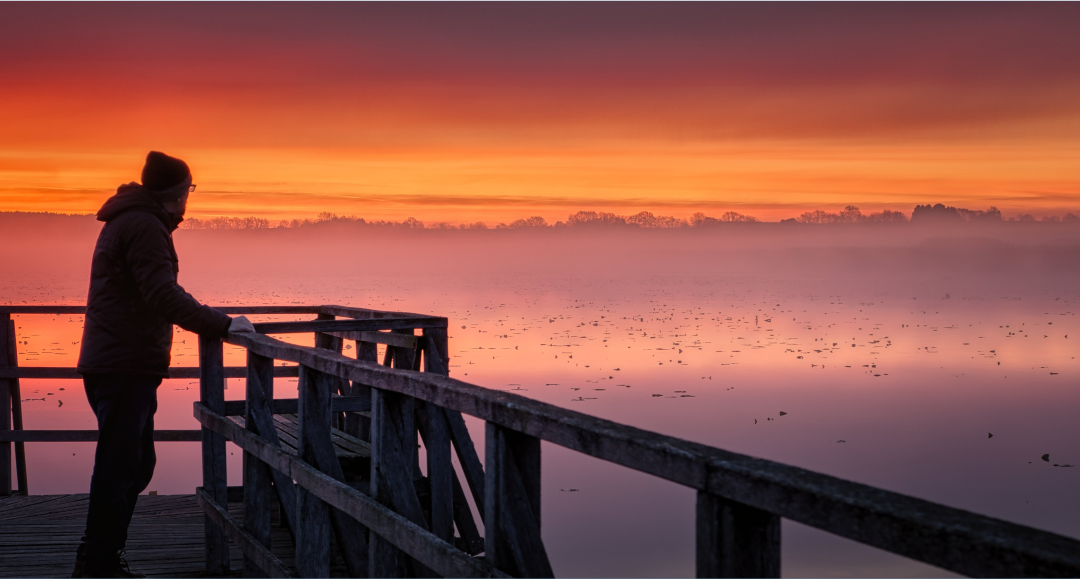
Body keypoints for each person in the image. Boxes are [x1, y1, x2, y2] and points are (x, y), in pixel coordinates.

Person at [73, 151, 256, 578]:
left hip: (121, 360)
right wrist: (224, 325)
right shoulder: (144, 225)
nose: (189, 200)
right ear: (177, 194)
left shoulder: (133, 220)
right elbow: (163, 295)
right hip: (124, 364)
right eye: (190, 190)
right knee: (122, 465)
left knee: (133, 463)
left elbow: (155, 291)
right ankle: (98, 562)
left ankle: (99, 555)